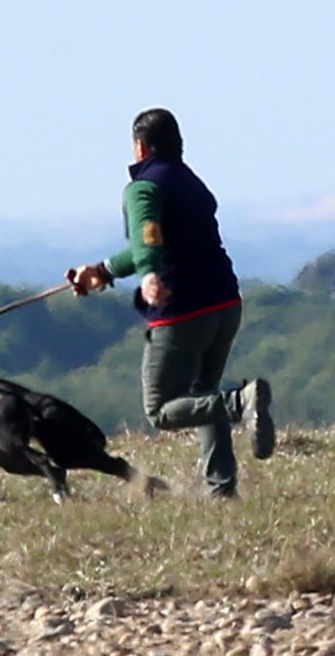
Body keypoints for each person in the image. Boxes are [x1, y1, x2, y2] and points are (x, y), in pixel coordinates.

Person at [66, 108, 274, 498]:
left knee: (161, 409)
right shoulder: (190, 182)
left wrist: (147, 275)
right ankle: (221, 491)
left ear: (140, 146)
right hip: (226, 303)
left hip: (183, 311)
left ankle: (241, 402)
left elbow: (147, 239)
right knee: (202, 391)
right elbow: (157, 242)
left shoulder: (142, 188)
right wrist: (104, 271)